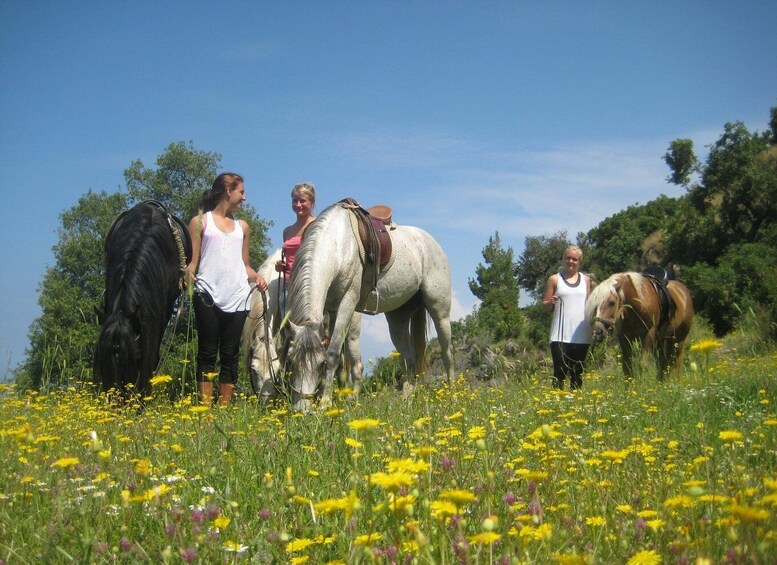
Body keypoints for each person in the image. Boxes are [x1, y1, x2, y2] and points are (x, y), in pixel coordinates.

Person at [187, 172, 267, 406]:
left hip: (238, 296)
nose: (244, 197)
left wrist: (258, 277)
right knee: (207, 352)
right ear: (228, 191)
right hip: (207, 293)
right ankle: (204, 409)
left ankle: (224, 409)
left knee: (230, 355)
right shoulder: (200, 221)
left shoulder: (242, 227)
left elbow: (245, 265)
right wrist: (188, 272)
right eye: (241, 192)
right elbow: (194, 262)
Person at [542, 245, 592, 390]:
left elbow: (589, 304)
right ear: (563, 259)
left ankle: (576, 406)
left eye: (574, 259)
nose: (570, 261)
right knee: (560, 371)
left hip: (582, 333)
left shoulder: (586, 280)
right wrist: (549, 302)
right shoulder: (554, 279)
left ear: (579, 262)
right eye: (568, 258)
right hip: (560, 334)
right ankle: (556, 404)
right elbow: (545, 305)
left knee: (577, 373)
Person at [274, 183, 316, 310]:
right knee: (287, 328)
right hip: (288, 286)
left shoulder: (318, 226)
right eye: (294, 201)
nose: (298, 205)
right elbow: (289, 259)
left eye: (302, 201)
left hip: (310, 287)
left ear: (312, 202)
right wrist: (281, 266)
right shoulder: (287, 231)